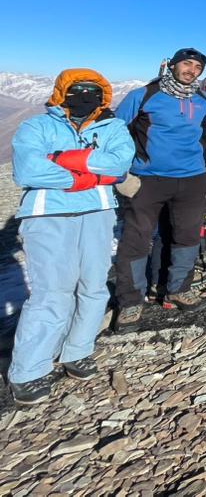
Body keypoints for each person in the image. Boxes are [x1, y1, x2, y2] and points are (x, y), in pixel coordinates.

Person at [7, 70, 135, 405]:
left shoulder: (113, 127)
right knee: (52, 291)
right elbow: (28, 170)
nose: (86, 96)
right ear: (62, 93)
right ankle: (28, 369)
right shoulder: (37, 126)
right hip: (47, 213)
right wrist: (86, 178)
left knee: (93, 286)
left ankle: (77, 350)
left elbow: (119, 165)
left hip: (98, 212)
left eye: (94, 91)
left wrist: (64, 159)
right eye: (78, 90)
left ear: (103, 97)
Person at [112, 48, 206, 332]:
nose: (192, 70)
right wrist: (121, 175)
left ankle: (178, 289)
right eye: (187, 64)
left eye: (198, 67)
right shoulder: (144, 95)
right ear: (172, 65)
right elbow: (116, 132)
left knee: (187, 236)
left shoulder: (202, 100)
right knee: (136, 239)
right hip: (148, 179)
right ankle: (131, 301)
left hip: (192, 179)